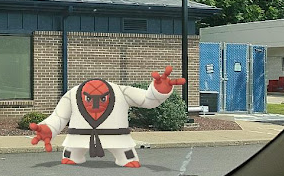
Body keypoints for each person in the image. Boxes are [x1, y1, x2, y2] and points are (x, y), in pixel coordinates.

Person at [30, 66, 186, 168]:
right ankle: (74, 155)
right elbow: (59, 117)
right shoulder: (73, 94)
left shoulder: (121, 92)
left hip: (118, 138)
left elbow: (147, 100)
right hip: (78, 138)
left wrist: (159, 90)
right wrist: (48, 128)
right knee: (71, 155)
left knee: (127, 157)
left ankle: (124, 157)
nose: (95, 103)